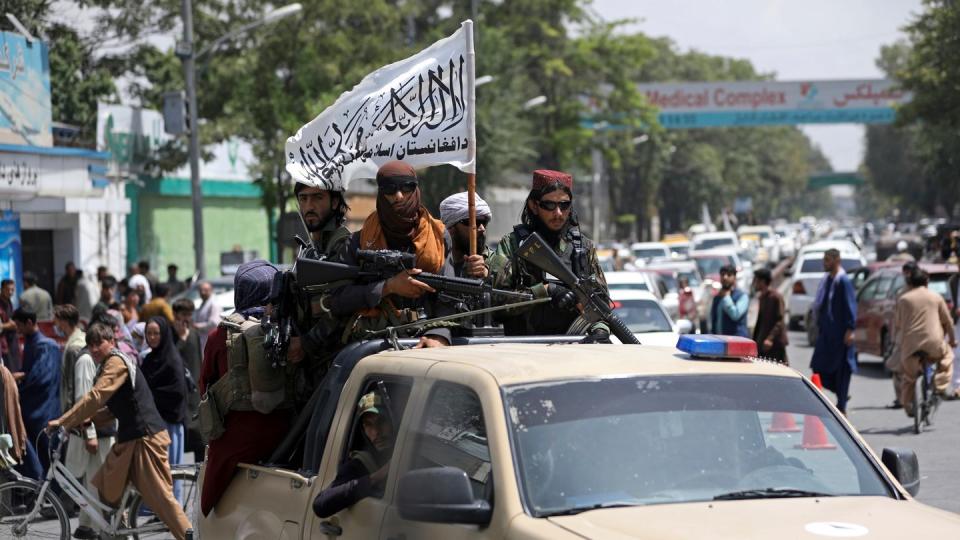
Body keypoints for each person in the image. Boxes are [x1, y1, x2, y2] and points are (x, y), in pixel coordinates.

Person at [46, 323, 191, 540]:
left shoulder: (116, 362)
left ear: (111, 342)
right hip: (128, 441)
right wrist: (83, 422)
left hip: (145, 438)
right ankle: (119, 535)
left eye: (99, 344)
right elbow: (112, 410)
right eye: (90, 345)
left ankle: (189, 535)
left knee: (160, 498)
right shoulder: (105, 365)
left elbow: (96, 397)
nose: (94, 349)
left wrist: (64, 420)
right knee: (105, 489)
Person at [199, 260, 291, 516]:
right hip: (288, 433)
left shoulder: (220, 336)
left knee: (210, 507)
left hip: (235, 440)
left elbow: (205, 384)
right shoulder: (289, 329)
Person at [329, 161, 453, 348]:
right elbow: (337, 300)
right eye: (390, 189)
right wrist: (388, 287)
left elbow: (451, 294)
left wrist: (439, 334)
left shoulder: (439, 237)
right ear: (380, 193)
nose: (399, 196)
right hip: (374, 344)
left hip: (426, 344)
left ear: (416, 189)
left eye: (407, 187)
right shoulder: (358, 242)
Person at [487, 169, 610, 341]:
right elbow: (494, 302)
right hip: (524, 349)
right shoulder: (514, 244)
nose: (558, 213)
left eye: (564, 205)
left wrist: (600, 328)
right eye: (549, 205)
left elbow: (601, 303)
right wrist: (544, 291)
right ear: (534, 205)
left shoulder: (582, 247)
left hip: (574, 348)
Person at [286, 173, 352, 367]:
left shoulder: (344, 246)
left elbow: (343, 307)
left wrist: (305, 343)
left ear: (334, 202)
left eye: (317, 197)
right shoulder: (309, 249)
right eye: (303, 199)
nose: (309, 206)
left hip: (335, 359)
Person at [59, 318, 115, 540]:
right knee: (96, 484)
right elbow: (85, 400)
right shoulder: (86, 360)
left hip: (100, 430)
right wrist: (90, 434)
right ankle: (97, 528)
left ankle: (90, 526)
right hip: (96, 433)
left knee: (94, 483)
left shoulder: (95, 358)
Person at [313, 391, 394, 518]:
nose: (376, 432)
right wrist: (376, 477)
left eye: (382, 422)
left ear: (393, 421)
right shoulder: (360, 464)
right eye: (369, 425)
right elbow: (321, 504)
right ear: (363, 429)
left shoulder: (414, 451)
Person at [895, 270, 956, 416]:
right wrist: (952, 341)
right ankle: (939, 384)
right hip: (933, 343)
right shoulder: (935, 297)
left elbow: (898, 324)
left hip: (910, 346)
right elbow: (948, 322)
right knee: (948, 358)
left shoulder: (903, 299)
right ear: (927, 282)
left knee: (909, 377)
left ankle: (907, 404)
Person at [141, 317, 188, 501]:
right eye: (149, 333)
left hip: (169, 424)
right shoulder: (149, 359)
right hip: (153, 423)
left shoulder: (172, 359)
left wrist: (152, 396)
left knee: (169, 470)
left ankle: (172, 510)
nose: (152, 337)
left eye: (156, 333)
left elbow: (177, 393)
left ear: (164, 334)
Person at [11, 308, 61, 480]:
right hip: (34, 410)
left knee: (48, 455)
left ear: (30, 323)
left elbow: (42, 379)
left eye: (19, 325)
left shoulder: (46, 346)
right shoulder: (32, 343)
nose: (17, 329)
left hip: (44, 409)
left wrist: (20, 381)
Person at [810, 249, 858, 415]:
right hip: (827, 333)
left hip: (841, 334)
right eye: (824, 260)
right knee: (818, 366)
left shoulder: (843, 281)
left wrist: (851, 329)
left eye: (828, 260)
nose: (825, 263)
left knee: (842, 369)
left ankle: (842, 404)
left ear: (837, 261)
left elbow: (850, 306)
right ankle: (841, 393)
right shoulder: (827, 280)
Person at [172, 298, 204, 460]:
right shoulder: (171, 336)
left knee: (200, 440)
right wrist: (181, 340)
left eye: (189, 315)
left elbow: (200, 361)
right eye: (183, 314)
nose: (187, 319)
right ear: (175, 315)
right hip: (178, 395)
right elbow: (171, 361)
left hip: (195, 394)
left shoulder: (194, 334)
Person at [438, 191, 492, 279]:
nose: (482, 228)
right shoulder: (436, 259)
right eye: (475, 223)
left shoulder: (494, 261)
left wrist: (486, 274)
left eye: (484, 222)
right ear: (451, 228)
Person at [752, 268, 788, 364]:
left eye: (756, 280)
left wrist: (769, 338)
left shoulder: (776, 297)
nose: (754, 283)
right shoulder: (762, 297)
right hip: (762, 344)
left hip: (774, 344)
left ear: (763, 281)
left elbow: (780, 321)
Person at [54, 305, 86, 415]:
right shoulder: (81, 337)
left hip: (74, 410)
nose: (56, 325)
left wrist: (69, 412)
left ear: (64, 322)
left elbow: (72, 382)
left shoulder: (74, 347)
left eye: (57, 321)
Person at [710, 264, 749, 337]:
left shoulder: (742, 296)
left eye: (729, 275)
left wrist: (726, 298)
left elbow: (735, 315)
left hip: (737, 341)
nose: (725, 277)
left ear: (734, 277)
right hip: (720, 341)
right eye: (723, 275)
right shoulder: (717, 298)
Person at [193, 281, 221, 350]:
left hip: (210, 339)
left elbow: (214, 323)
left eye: (205, 290)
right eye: (201, 290)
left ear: (211, 290)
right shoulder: (203, 303)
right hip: (203, 338)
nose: (203, 293)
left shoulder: (214, 304)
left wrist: (197, 326)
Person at [0, 278, 20, 371]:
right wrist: (9, 325)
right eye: (8, 289)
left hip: (11, 342)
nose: (10, 292)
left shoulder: (8, 302)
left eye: (12, 290)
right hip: (3, 345)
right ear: (2, 289)